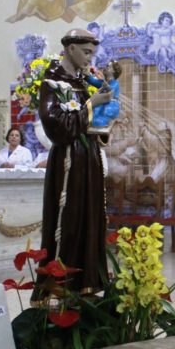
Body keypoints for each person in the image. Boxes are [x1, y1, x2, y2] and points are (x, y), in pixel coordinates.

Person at [32, 28, 113, 301]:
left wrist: (102, 119)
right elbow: (58, 127)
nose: (90, 58)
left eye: (93, 53)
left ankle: (87, 284)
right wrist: (92, 105)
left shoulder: (81, 82)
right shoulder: (53, 82)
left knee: (90, 218)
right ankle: (61, 287)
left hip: (88, 157)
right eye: (87, 52)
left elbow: (91, 123)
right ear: (70, 48)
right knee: (70, 219)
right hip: (69, 162)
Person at [86, 60, 121, 133]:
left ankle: (102, 124)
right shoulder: (104, 82)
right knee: (95, 112)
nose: (105, 67)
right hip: (102, 103)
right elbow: (93, 81)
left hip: (111, 105)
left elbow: (111, 90)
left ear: (114, 71)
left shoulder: (115, 82)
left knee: (103, 114)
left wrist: (105, 85)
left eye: (108, 66)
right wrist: (86, 74)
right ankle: (96, 124)